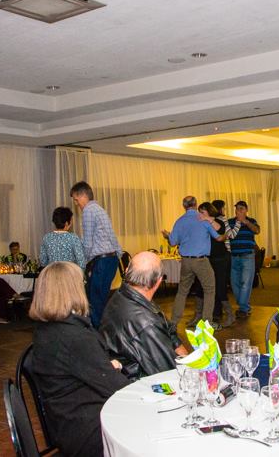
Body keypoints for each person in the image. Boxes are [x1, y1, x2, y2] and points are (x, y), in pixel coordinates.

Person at [29, 261, 130, 457]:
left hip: (64, 421)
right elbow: (118, 388)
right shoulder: (74, 337)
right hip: (87, 432)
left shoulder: (46, 329)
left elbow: (72, 367)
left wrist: (100, 366)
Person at [100, 252, 188, 379]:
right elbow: (170, 373)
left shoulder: (121, 295)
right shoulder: (146, 324)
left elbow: (169, 331)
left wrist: (184, 355)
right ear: (158, 282)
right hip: (137, 383)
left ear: (126, 271)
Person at [163, 196, 223, 328]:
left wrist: (167, 236)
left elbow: (172, 243)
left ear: (184, 206)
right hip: (201, 261)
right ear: (196, 204)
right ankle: (207, 322)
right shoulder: (202, 219)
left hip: (186, 261)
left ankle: (174, 322)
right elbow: (217, 236)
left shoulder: (179, 221)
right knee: (209, 290)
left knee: (182, 291)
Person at [70, 181, 122, 329]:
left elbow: (88, 243)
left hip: (101, 261)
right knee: (102, 299)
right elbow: (111, 235)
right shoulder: (99, 209)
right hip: (111, 259)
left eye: (76, 199)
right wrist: (118, 254)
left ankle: (96, 334)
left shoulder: (88, 211)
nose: (76, 204)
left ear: (83, 195)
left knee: (94, 300)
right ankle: (106, 331)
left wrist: (83, 263)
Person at [185, 202, 234, 327]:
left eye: (202, 212)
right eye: (199, 211)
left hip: (220, 259)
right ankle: (198, 316)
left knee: (220, 288)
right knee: (200, 288)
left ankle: (230, 315)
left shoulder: (218, 221)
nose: (200, 214)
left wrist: (208, 219)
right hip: (205, 259)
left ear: (209, 212)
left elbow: (220, 230)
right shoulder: (200, 223)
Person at [226, 200, 260, 318]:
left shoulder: (251, 221)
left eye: (241, 209)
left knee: (246, 283)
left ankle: (243, 309)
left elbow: (257, 230)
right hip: (234, 256)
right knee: (234, 283)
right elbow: (227, 235)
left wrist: (245, 222)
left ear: (246, 210)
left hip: (247, 256)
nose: (238, 211)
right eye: (237, 209)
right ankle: (244, 306)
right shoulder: (230, 222)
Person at [211, 199, 236, 326]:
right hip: (219, 256)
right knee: (216, 286)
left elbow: (229, 235)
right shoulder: (217, 221)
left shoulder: (219, 221)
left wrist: (224, 236)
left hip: (221, 256)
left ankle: (225, 314)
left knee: (219, 286)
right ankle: (217, 313)